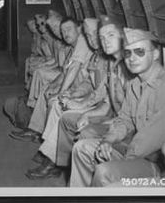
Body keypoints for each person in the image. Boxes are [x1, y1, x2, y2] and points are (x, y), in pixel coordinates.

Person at [70, 27, 165, 187]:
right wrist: (108, 141)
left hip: (157, 166)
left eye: (140, 52)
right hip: (135, 151)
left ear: (156, 54)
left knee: (104, 172)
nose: (132, 58)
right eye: (128, 53)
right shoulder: (135, 84)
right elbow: (124, 120)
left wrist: (120, 157)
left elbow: (148, 141)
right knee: (81, 148)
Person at [26, 18, 107, 179]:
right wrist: (73, 94)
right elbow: (89, 82)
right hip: (91, 99)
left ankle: (52, 159)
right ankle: (50, 152)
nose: (92, 39)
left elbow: (102, 95)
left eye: (95, 35)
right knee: (58, 102)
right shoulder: (96, 56)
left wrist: (80, 102)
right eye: (89, 35)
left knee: (59, 106)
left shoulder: (108, 59)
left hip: (101, 108)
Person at [55, 15, 131, 170]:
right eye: (101, 37)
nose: (103, 41)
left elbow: (127, 117)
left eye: (110, 35)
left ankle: (84, 174)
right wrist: (79, 102)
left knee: (85, 131)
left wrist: (85, 111)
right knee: (66, 118)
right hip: (114, 116)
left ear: (123, 36)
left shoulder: (131, 68)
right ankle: (64, 166)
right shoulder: (112, 64)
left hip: (120, 123)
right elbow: (98, 90)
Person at [11, 17, 93, 143]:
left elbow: (74, 68)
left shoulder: (82, 42)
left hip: (84, 90)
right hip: (75, 86)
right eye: (62, 30)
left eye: (68, 29)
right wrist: (53, 85)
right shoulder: (72, 46)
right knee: (46, 89)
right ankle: (35, 130)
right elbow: (65, 71)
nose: (65, 33)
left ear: (79, 29)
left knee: (55, 100)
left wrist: (60, 91)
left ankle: (48, 142)